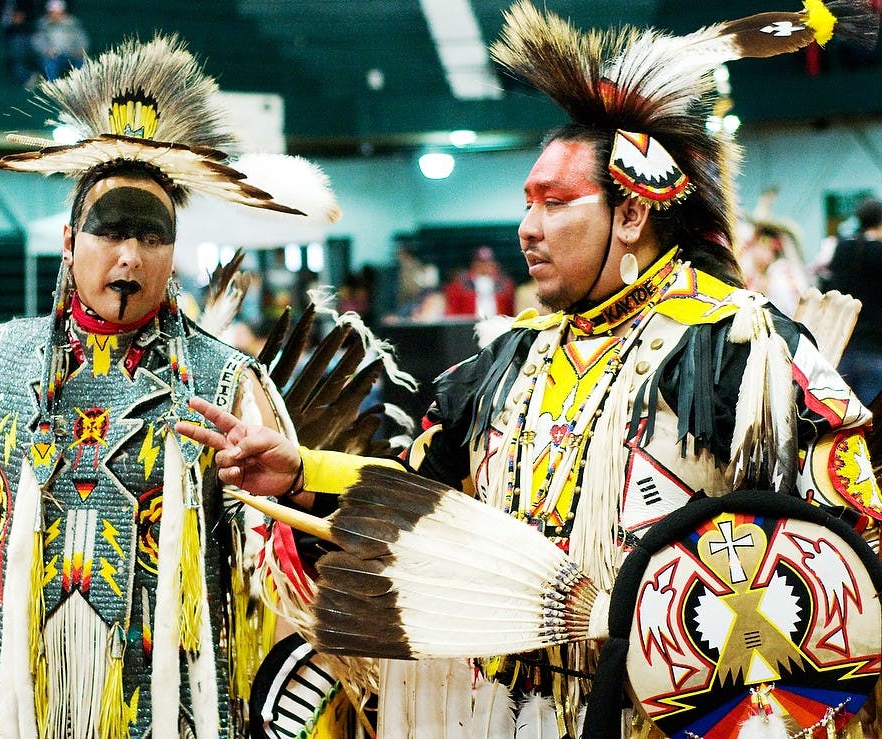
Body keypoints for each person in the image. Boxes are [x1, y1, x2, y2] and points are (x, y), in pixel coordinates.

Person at [175, 2, 882, 736]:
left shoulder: (746, 348)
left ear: (631, 214)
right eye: (525, 202)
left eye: (555, 201)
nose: (527, 227)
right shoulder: (505, 362)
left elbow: (853, 548)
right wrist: (301, 470)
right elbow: (429, 498)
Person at [0, 35, 340, 739]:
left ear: (174, 249)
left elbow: (275, 574)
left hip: (171, 713)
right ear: (70, 242)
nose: (131, 255)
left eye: (152, 235)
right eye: (111, 230)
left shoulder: (227, 381)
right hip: (11, 707)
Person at [821, 195, 882, 403]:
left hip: (842, 350)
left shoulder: (842, 249)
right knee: (874, 426)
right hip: (875, 352)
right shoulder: (879, 253)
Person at [443, 244, 515, 317]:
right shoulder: (460, 284)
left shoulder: (505, 284)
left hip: (498, 324)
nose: (484, 266)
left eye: (488, 262)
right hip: (468, 325)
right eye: (480, 262)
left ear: (494, 264)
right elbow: (452, 312)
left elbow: (511, 310)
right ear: (473, 263)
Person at [31, 0, 88, 82]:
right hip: (52, 57)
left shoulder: (72, 24)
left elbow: (82, 39)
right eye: (52, 13)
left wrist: (80, 49)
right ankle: (54, 87)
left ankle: (79, 86)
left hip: (71, 55)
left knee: (81, 62)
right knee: (49, 64)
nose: (55, 16)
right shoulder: (42, 25)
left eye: (58, 13)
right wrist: (45, 50)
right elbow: (37, 41)